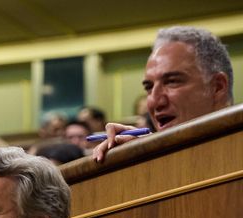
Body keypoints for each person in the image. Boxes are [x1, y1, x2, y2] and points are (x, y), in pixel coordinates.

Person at [94, 26, 233, 162]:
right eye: (149, 87)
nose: (155, 101)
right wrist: (149, 157)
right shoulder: (152, 161)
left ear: (217, 87)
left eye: (172, 82)